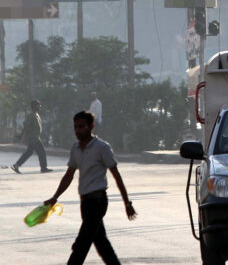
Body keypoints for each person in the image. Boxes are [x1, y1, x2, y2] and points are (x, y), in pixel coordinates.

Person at [44, 111, 136, 265]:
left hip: (98, 201)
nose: (78, 130)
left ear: (91, 126)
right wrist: (55, 197)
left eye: (81, 127)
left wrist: (127, 203)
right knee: (101, 243)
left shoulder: (102, 147)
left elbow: (116, 176)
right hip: (85, 202)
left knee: (82, 243)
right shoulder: (75, 148)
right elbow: (68, 175)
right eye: (76, 127)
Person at [11, 100, 52, 174]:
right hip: (33, 138)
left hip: (36, 137)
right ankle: (43, 168)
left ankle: (16, 165)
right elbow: (26, 126)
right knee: (41, 152)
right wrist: (20, 136)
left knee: (29, 152)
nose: (40, 106)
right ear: (34, 106)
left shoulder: (36, 114)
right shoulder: (31, 115)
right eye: (38, 105)